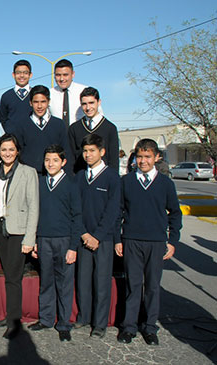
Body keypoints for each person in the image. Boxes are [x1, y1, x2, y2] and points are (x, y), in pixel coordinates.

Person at [116, 139, 182, 346]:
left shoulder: (165, 184)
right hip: (132, 241)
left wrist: (172, 241)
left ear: (156, 158)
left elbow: (175, 214)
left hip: (156, 242)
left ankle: (150, 327)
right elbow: (118, 212)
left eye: (147, 157)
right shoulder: (126, 182)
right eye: (139, 157)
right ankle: (129, 327)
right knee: (133, 286)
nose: (143, 161)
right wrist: (118, 239)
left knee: (153, 286)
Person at [0, 134, 39, 339]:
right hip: (0, 228)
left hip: (18, 231)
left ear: (17, 151)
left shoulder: (28, 172)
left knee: (14, 278)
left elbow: (34, 206)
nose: (7, 153)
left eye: (11, 149)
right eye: (3, 150)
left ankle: (14, 321)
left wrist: (29, 238)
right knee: (8, 274)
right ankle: (10, 315)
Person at [28, 145, 81, 342]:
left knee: (64, 283)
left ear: (63, 162)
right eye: (48, 160)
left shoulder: (71, 184)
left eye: (55, 160)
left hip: (64, 241)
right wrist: (34, 240)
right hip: (43, 239)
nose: (51, 164)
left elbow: (77, 217)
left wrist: (73, 247)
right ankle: (46, 318)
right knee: (46, 281)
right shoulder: (40, 183)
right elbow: (34, 213)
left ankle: (64, 323)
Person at [74, 134, 121, 339]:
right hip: (83, 238)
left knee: (101, 282)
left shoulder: (112, 177)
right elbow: (75, 209)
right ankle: (84, 317)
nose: (88, 155)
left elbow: (113, 211)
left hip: (103, 239)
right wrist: (84, 234)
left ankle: (100, 323)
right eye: (85, 151)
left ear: (102, 152)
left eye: (92, 151)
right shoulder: (79, 177)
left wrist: (97, 236)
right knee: (83, 280)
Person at [7, 85, 72, 175]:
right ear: (30, 103)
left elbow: (66, 151)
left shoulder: (58, 124)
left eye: (43, 102)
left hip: (52, 173)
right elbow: (18, 152)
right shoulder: (21, 124)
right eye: (36, 102)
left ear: (48, 102)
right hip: (28, 175)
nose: (39, 106)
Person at [68, 87, 119, 174]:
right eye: (84, 104)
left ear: (99, 102)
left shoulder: (110, 128)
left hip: (103, 180)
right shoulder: (74, 128)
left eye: (91, 103)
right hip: (80, 180)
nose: (88, 107)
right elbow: (71, 159)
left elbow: (113, 160)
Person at [49, 59, 102, 128]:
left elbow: (99, 117)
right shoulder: (49, 94)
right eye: (58, 75)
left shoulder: (85, 92)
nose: (62, 79)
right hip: (57, 137)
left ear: (73, 74)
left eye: (65, 75)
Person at [0, 59, 33, 131]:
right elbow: (3, 118)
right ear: (13, 75)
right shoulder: (6, 96)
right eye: (18, 73)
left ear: (30, 75)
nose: (22, 76)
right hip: (13, 139)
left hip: (33, 138)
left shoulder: (35, 94)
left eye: (25, 73)